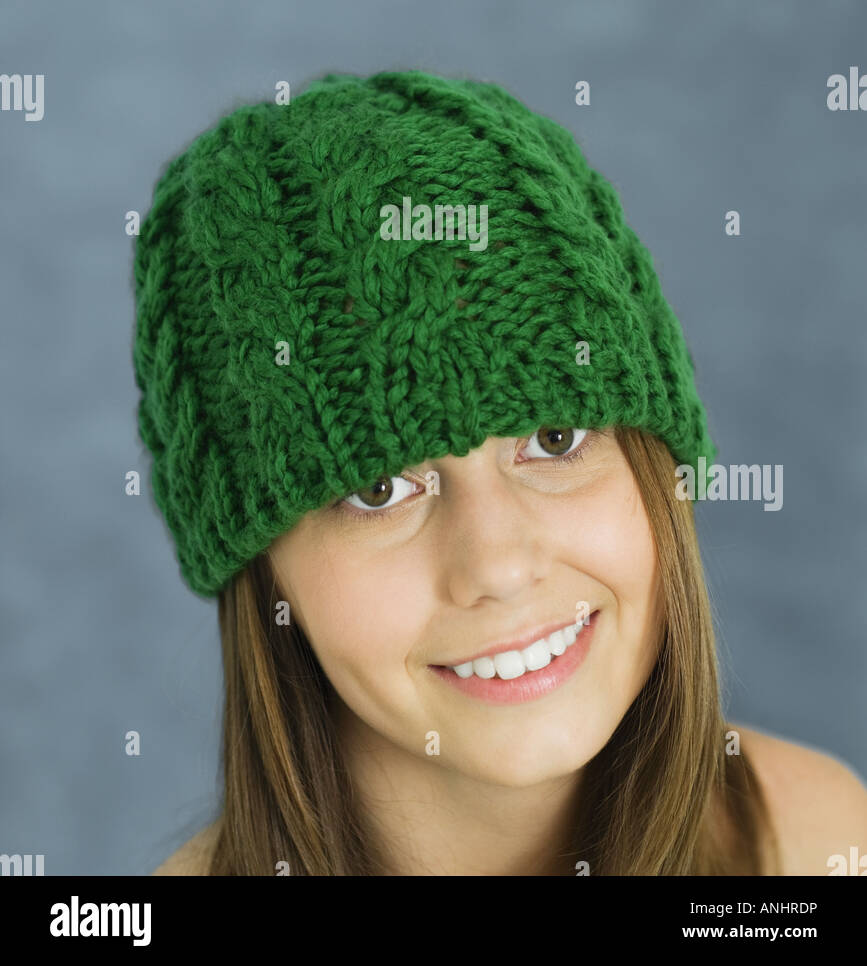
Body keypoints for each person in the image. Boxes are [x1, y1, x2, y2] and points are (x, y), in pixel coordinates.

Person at [134, 69, 867, 876]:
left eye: (554, 438)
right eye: (378, 489)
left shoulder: (814, 845)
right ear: (265, 575)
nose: (500, 566)